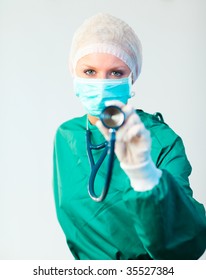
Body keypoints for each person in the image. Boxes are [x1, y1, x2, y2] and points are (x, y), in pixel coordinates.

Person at [53, 13, 206, 260]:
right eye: (90, 71)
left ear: (132, 76)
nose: (101, 83)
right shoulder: (66, 137)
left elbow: (186, 247)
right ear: (74, 72)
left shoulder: (161, 141)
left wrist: (144, 174)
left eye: (115, 73)